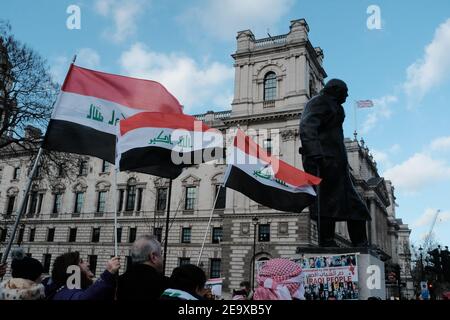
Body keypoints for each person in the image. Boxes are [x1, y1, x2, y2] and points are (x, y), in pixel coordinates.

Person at [299, 78, 371, 247]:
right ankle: (328, 241)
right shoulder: (319, 102)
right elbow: (306, 127)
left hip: (336, 164)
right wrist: (316, 154)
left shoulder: (333, 105)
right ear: (335, 90)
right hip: (324, 161)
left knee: (353, 206)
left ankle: (359, 243)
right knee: (327, 203)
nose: (347, 96)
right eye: (345, 92)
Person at [117, 235, 169, 300]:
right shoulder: (167, 287)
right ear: (153, 257)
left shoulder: (116, 284)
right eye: (160, 254)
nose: (163, 258)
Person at [50, 251, 120, 300]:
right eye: (81, 262)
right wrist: (108, 274)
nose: (88, 264)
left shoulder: (70, 291)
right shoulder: (66, 294)